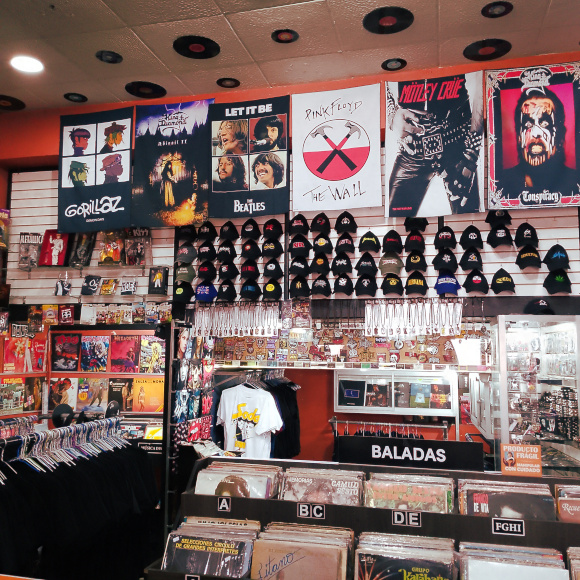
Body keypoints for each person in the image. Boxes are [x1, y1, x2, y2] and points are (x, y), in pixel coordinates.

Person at [386, 75, 483, 215]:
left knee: (469, 221)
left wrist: (471, 154)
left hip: (458, 143)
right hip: (414, 147)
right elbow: (381, 81)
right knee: (395, 220)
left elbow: (481, 80)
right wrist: (391, 116)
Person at [500, 86, 578, 199]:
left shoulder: (575, 184)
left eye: (545, 124)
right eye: (528, 124)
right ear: (519, 137)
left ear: (560, 136)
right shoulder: (503, 185)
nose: (535, 133)